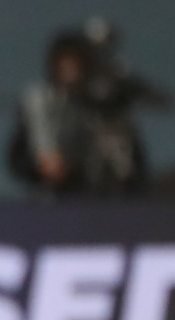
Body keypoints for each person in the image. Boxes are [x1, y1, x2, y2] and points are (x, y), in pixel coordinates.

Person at [9, 22, 163, 198]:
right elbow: (17, 159)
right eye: (63, 63)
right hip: (50, 205)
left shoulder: (107, 110)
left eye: (75, 64)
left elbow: (134, 169)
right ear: (53, 64)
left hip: (102, 203)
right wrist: (41, 167)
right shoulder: (38, 106)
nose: (70, 71)